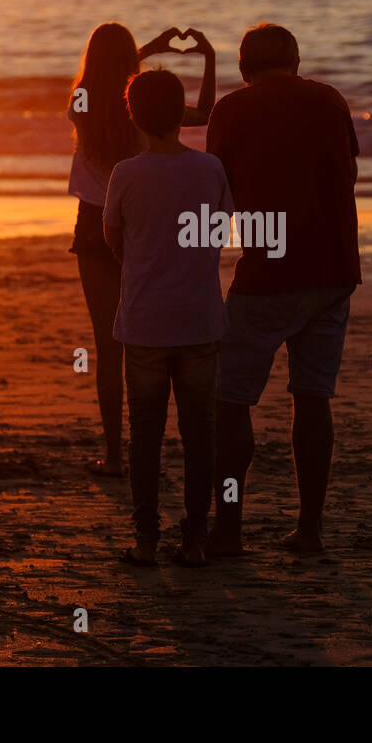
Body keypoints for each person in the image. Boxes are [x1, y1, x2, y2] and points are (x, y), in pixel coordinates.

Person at [205, 23, 361, 556]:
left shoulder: (230, 111)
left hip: (268, 272)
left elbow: (219, 192)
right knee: (313, 398)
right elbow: (349, 173)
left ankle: (228, 527)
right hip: (335, 269)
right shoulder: (331, 100)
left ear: (245, 68)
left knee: (231, 400)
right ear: (295, 60)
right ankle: (310, 528)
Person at [66, 23, 215, 476]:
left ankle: (114, 456)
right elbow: (203, 114)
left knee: (108, 348)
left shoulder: (81, 105)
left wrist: (141, 50)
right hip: (141, 224)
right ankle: (154, 446)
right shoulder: (138, 110)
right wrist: (208, 57)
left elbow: (108, 77)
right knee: (148, 342)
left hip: (94, 228)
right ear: (131, 63)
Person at [103, 69, 233, 568]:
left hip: (144, 322)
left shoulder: (126, 173)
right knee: (200, 432)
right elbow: (218, 234)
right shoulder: (210, 169)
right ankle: (195, 539)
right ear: (183, 115)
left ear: (133, 114)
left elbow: (114, 238)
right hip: (199, 318)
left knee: (146, 434)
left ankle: (144, 539)